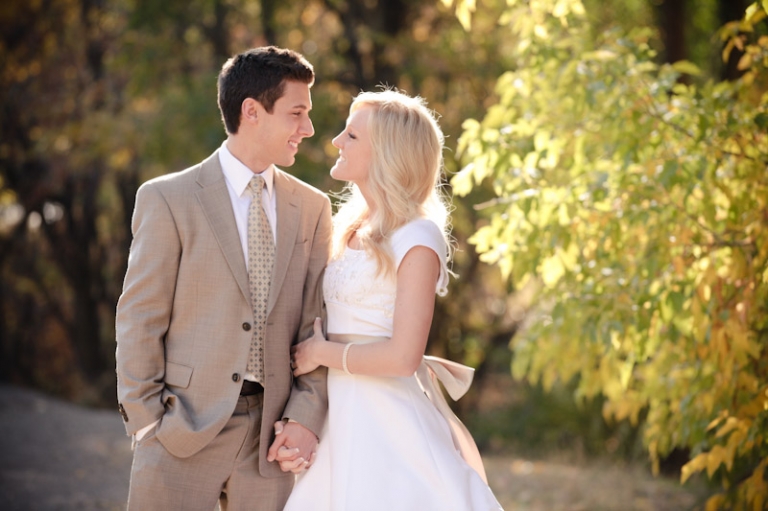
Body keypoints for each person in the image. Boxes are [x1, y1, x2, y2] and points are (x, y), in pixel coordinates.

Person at [115, 46, 331, 511]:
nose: (308, 129)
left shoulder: (312, 209)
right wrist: (147, 420)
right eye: (297, 113)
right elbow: (140, 316)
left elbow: (316, 324)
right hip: (180, 430)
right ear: (251, 111)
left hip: (271, 442)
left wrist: (305, 415)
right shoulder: (168, 199)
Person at [284, 89, 503, 510]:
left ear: (386, 152)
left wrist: (321, 353)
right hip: (338, 414)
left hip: (388, 419)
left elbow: (404, 357)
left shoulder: (418, 238)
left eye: (351, 136)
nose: (336, 142)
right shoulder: (346, 225)